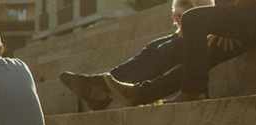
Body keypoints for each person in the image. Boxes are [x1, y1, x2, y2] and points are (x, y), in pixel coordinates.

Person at [102, 0, 256, 104]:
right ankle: (141, 93)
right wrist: (227, 22)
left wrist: (233, 17)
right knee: (208, 50)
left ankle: (193, 91)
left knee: (193, 19)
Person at [58, 0, 215, 110]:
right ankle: (105, 81)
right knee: (152, 47)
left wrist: (190, 21)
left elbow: (209, 7)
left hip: (204, 34)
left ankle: (104, 88)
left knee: (163, 51)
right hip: (191, 28)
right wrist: (181, 18)